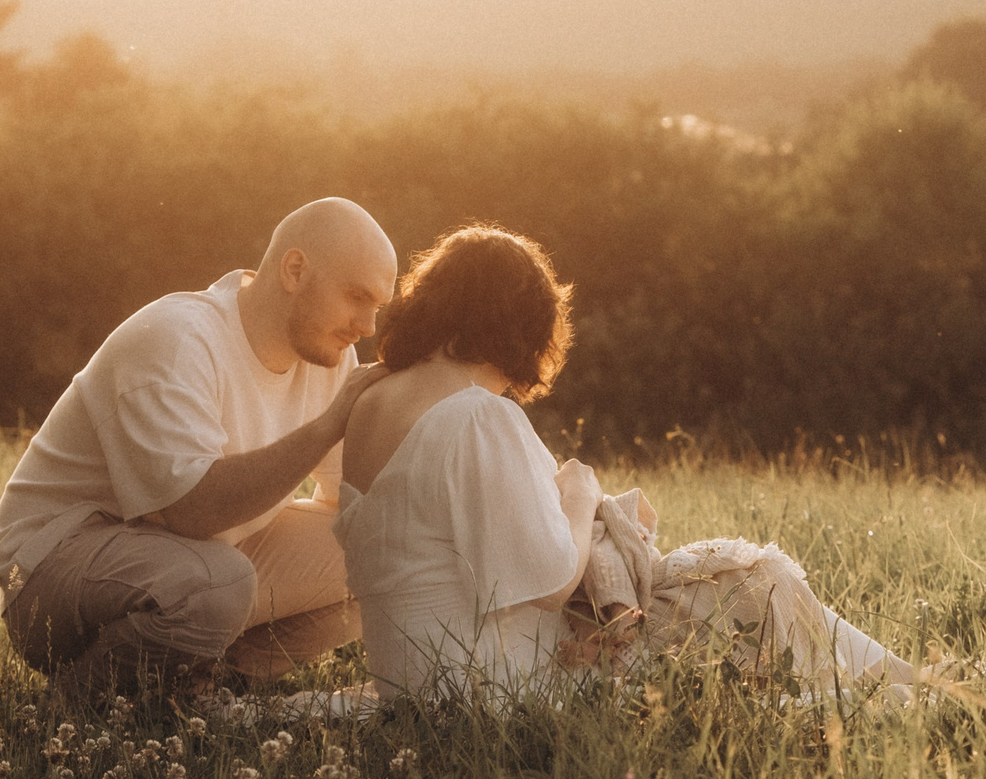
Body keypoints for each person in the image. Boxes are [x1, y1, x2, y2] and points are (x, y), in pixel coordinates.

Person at [334, 223, 916, 702]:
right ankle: (904, 689)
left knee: (726, 588)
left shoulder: (368, 404)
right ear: (519, 325)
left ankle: (909, 680)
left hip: (412, 684)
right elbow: (552, 581)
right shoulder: (478, 415)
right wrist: (579, 491)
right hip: (506, 683)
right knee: (755, 578)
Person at [0, 198, 397, 693]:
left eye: (378, 306)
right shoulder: (176, 337)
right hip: (44, 575)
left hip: (196, 565)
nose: (368, 326)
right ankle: (70, 710)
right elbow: (191, 511)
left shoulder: (331, 357)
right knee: (218, 584)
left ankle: (215, 684)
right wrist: (328, 426)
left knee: (380, 544)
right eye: (356, 296)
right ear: (294, 269)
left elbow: (344, 504)